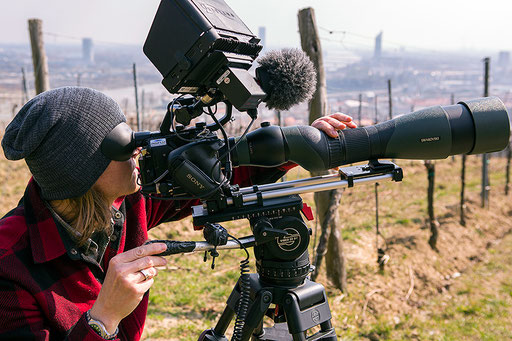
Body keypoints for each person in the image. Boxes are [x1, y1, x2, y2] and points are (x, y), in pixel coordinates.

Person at [0, 87, 356, 340]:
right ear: (83, 173)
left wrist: (295, 146)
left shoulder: (125, 200)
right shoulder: (9, 266)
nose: (138, 150)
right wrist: (103, 318)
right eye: (122, 146)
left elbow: (214, 179)